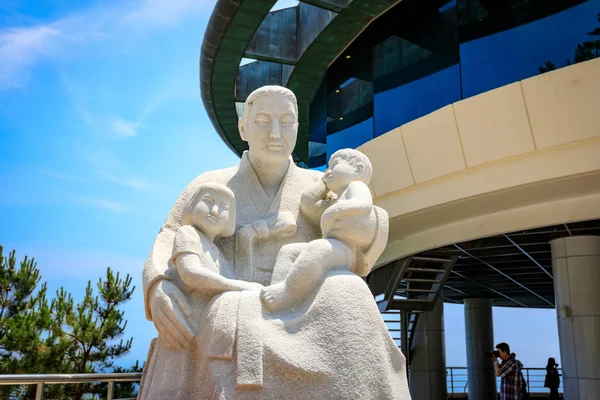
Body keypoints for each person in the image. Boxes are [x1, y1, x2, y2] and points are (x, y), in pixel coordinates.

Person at [138, 85, 410, 399]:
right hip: (229, 299)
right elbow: (170, 236)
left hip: (303, 305)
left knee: (349, 291)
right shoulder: (210, 185)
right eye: (264, 121)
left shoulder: (319, 185)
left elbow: (357, 241)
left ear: (298, 127)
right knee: (219, 317)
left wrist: (365, 221)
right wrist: (158, 286)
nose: (276, 132)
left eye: (287, 122)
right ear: (243, 128)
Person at [261, 148, 377, 312]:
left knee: (317, 249)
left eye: (334, 165)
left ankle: (287, 292)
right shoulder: (336, 199)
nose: (327, 171)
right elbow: (308, 204)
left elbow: (363, 203)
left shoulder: (355, 187)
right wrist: (323, 184)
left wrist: (334, 211)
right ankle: (278, 288)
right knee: (288, 251)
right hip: (333, 247)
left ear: (357, 169)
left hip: (346, 251)